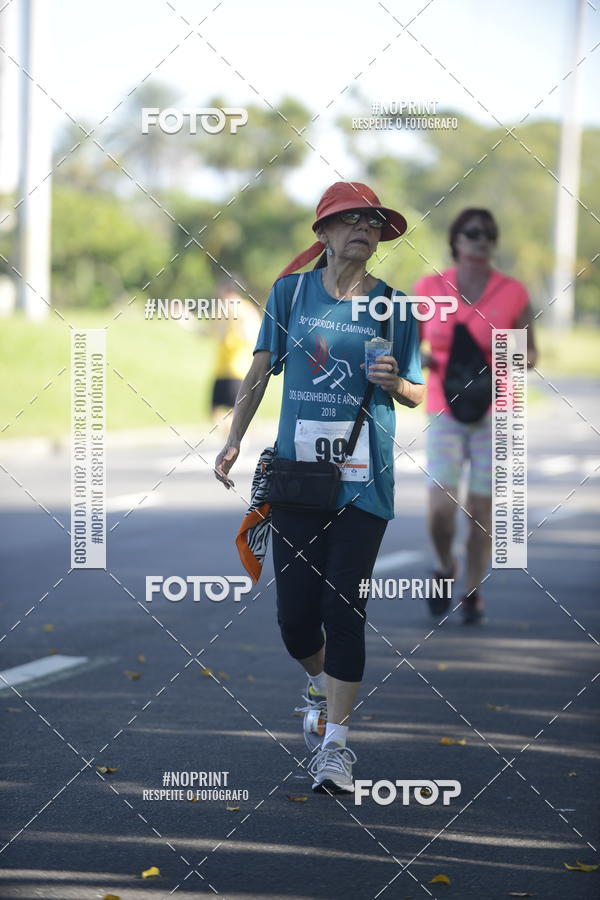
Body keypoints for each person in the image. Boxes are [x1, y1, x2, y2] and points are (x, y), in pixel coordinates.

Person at [214, 182, 424, 794]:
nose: (364, 228)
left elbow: (419, 392)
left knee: (345, 608)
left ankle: (335, 747)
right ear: (324, 234)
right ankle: (317, 681)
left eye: (373, 221)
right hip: (298, 480)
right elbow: (257, 374)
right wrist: (233, 439)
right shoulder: (290, 293)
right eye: (350, 219)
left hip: (364, 485)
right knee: (296, 620)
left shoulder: (395, 306)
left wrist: (394, 383)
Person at [414, 208, 537, 625]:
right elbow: (409, 347)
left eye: (487, 234)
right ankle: (445, 565)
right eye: (471, 233)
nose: (480, 240)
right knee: (440, 506)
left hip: (496, 409)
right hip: (443, 406)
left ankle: (471, 589)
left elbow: (530, 352)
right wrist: (426, 361)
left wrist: (511, 358)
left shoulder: (512, 292)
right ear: (456, 241)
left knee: (482, 507)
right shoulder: (429, 289)